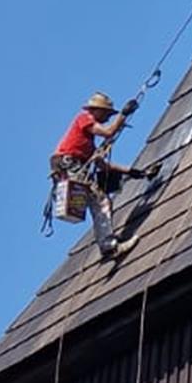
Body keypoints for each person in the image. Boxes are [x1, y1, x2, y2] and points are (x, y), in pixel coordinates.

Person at [49, 91, 138, 260]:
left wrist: (131, 171)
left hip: (71, 166)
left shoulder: (87, 144)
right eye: (106, 114)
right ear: (96, 110)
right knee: (101, 201)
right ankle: (109, 245)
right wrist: (123, 115)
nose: (107, 118)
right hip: (69, 164)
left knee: (102, 201)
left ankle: (107, 241)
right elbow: (109, 132)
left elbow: (103, 165)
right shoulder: (84, 118)